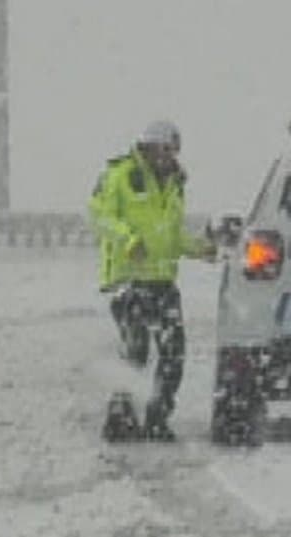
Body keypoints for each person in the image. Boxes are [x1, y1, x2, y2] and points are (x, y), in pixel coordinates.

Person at [88, 120, 215, 440]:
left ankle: (158, 417)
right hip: (127, 279)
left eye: (174, 151)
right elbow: (100, 216)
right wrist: (128, 240)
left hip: (161, 280)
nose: (170, 157)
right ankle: (120, 417)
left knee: (174, 352)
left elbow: (169, 237)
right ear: (150, 148)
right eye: (166, 150)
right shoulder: (120, 175)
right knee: (137, 348)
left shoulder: (174, 184)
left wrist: (201, 249)